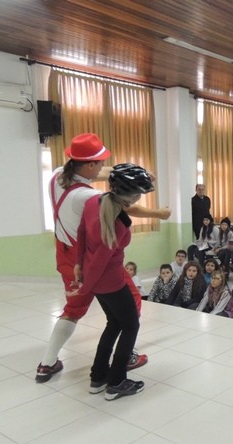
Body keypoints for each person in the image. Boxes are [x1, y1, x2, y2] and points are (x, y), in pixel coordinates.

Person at [35, 134, 170, 383]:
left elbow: (106, 174)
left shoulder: (57, 175)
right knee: (130, 304)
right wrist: (158, 213)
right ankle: (126, 355)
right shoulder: (89, 197)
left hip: (67, 253)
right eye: (99, 162)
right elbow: (123, 206)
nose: (102, 167)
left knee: (73, 309)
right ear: (89, 165)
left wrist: (136, 172)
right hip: (93, 259)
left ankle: (47, 363)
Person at [72, 163, 156, 400]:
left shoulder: (93, 202)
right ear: (131, 197)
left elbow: (81, 232)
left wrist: (79, 265)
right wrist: (83, 290)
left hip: (98, 281)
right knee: (131, 325)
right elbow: (101, 262)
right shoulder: (119, 225)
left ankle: (98, 377)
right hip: (111, 283)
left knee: (114, 323)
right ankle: (117, 382)